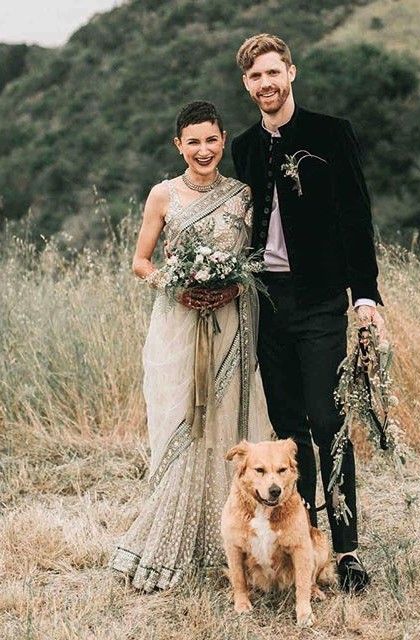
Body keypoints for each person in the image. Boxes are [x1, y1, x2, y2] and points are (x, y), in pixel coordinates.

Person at [231, 34, 386, 592]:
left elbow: (356, 217)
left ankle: (346, 551)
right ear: (246, 84)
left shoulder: (330, 133)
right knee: (289, 430)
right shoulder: (245, 146)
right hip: (267, 304)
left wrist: (364, 296)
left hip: (320, 299)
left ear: (291, 72)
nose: (266, 84)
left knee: (328, 424)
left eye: (274, 72)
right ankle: (307, 544)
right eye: (255, 77)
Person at [109, 101, 272, 591]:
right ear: (178, 145)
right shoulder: (162, 195)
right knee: (183, 422)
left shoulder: (243, 194)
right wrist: (176, 285)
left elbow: (257, 258)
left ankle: (237, 540)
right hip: (178, 321)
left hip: (232, 321)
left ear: (224, 140)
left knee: (229, 426)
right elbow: (140, 261)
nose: (204, 150)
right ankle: (177, 537)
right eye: (193, 141)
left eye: (212, 139)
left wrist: (232, 285)